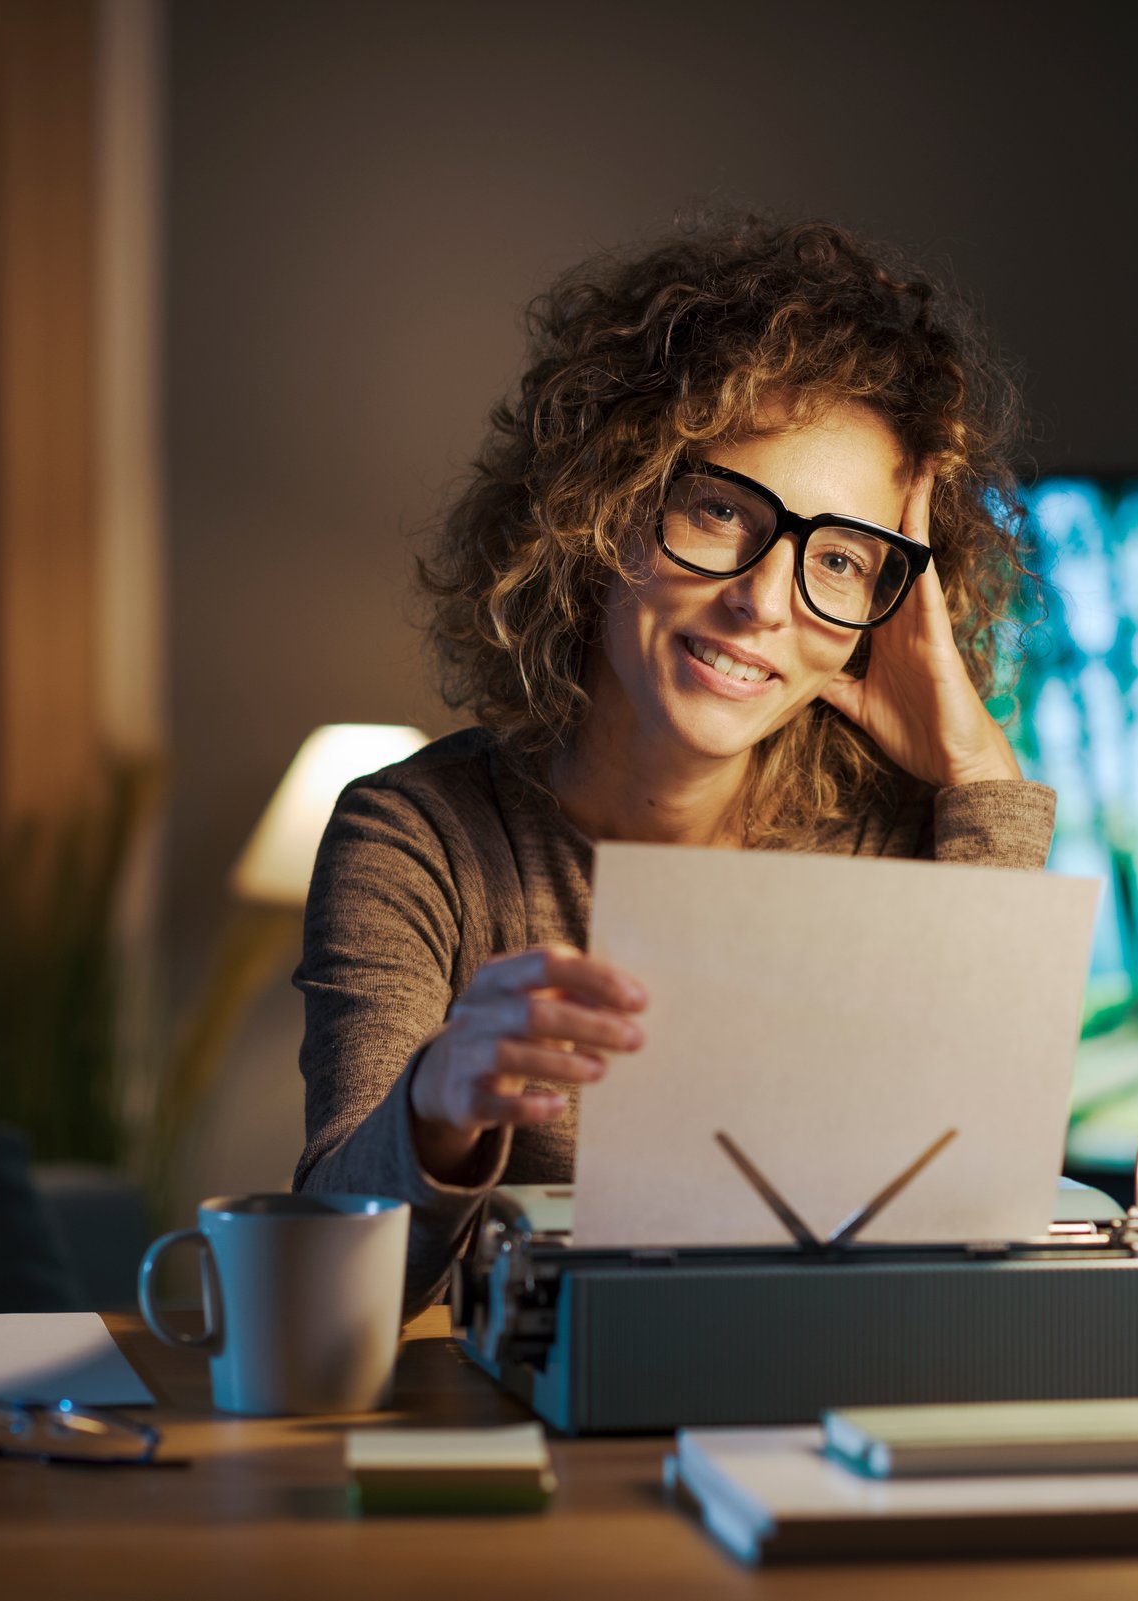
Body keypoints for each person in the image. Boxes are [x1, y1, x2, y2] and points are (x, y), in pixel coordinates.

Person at [291, 217, 1057, 1315]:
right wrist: (439, 1102)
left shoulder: (892, 841)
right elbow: (326, 1283)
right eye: (720, 510)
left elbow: (972, 1239)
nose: (763, 598)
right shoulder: (419, 834)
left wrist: (980, 778)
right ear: (600, 507)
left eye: (840, 559)